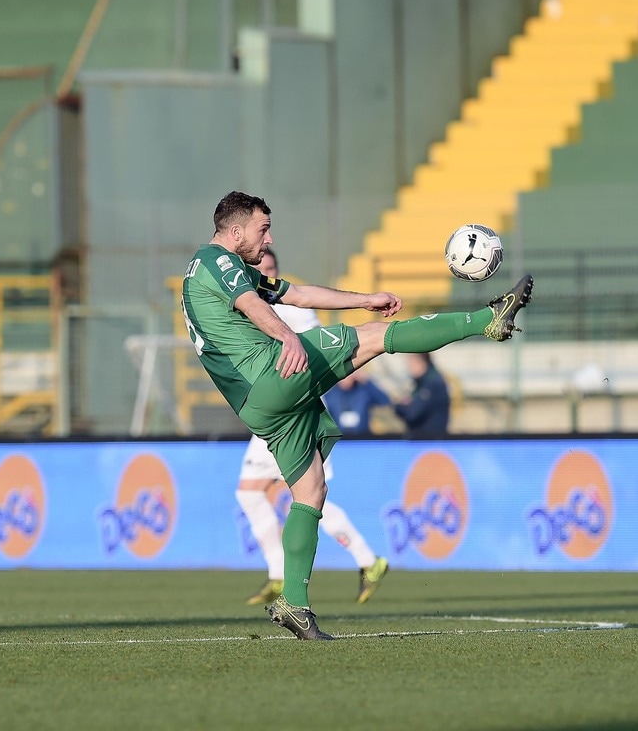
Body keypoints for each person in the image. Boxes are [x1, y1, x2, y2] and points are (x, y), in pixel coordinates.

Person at [182, 191, 533, 640]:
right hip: (273, 372)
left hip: (255, 405)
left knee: (310, 489)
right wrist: (287, 337)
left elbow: (297, 293)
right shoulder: (217, 261)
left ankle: (294, 603)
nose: (269, 239)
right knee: (376, 338)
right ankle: (488, 319)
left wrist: (365, 298)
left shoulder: (219, 269)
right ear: (235, 231)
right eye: (262, 229)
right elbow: (253, 306)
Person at [237, 248, 389, 608]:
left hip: (295, 411)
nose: (262, 272)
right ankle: (291, 570)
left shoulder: (294, 311)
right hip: (272, 411)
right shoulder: (247, 305)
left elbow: (319, 354)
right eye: (256, 266)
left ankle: (359, 561)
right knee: (258, 492)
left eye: (268, 267)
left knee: (307, 494)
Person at [323, 369, 393, 437]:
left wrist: (366, 381)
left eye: (349, 373)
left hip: (362, 438)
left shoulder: (364, 391)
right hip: (338, 440)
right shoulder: (329, 394)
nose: (347, 377)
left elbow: (385, 401)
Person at [394, 352, 451, 433]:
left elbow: (412, 414)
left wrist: (399, 407)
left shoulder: (432, 383)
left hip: (430, 437)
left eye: (411, 365)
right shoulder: (421, 382)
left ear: (421, 363)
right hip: (422, 436)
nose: (409, 369)